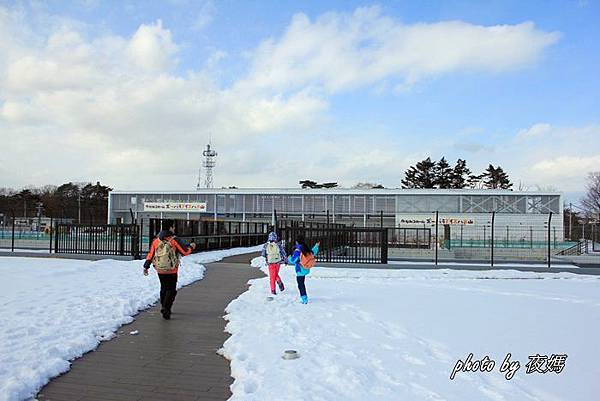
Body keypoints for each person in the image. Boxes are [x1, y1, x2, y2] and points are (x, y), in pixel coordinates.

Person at [143, 220, 196, 320]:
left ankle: (164, 306)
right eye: (173, 227)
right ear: (171, 228)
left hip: (160, 269)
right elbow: (185, 252)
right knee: (171, 290)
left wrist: (146, 266)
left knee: (163, 288)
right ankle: (166, 308)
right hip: (171, 270)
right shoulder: (174, 240)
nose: (174, 229)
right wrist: (191, 247)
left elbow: (151, 254)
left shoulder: (156, 240)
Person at [287, 236, 320, 304]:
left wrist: (289, 258)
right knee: (302, 283)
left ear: (297, 242)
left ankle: (304, 298)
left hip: (300, 269)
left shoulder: (298, 250)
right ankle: (304, 296)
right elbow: (313, 252)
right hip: (306, 268)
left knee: (300, 284)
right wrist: (316, 246)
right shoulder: (306, 248)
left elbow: (293, 260)